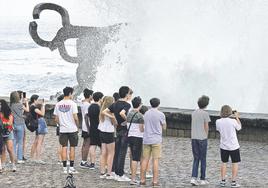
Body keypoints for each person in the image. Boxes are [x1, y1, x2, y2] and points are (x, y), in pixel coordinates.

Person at [103, 86, 132, 182]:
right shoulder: (127, 105)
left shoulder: (115, 103)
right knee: (122, 153)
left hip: (117, 129)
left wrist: (113, 118)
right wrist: (128, 121)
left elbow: (104, 111)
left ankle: (115, 171)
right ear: (127, 94)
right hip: (124, 130)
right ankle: (120, 174)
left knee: (117, 151)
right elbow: (122, 113)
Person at [140, 98, 167, 186]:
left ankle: (142, 179)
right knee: (155, 160)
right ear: (158, 104)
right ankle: (155, 181)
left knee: (145, 160)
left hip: (147, 139)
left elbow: (141, 127)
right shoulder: (161, 114)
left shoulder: (146, 113)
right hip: (156, 140)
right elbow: (164, 127)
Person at [54, 87, 79, 174]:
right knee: (72, 147)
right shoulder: (73, 104)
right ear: (69, 93)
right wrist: (77, 125)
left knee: (64, 147)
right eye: (72, 93)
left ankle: (64, 168)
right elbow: (75, 117)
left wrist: (61, 124)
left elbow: (56, 119)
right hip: (72, 128)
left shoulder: (58, 104)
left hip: (63, 129)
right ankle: (71, 167)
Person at [216, 105, 242, 188]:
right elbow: (239, 128)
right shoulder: (233, 121)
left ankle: (223, 181)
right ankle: (233, 182)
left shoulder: (218, 121)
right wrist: (237, 117)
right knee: (235, 163)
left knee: (224, 163)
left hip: (223, 146)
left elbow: (218, 130)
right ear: (230, 112)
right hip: (234, 146)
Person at [190, 95, 211, 186]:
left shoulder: (193, 113)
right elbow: (206, 126)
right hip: (202, 138)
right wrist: (206, 136)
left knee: (196, 158)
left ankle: (193, 178)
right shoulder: (205, 114)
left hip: (194, 138)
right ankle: (202, 178)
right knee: (203, 159)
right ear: (206, 105)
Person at [127, 97, 144, 185]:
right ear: (140, 104)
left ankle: (133, 176)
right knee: (136, 158)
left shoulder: (129, 113)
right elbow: (141, 129)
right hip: (138, 137)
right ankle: (133, 179)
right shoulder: (140, 115)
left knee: (133, 156)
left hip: (130, 136)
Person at [98, 96, 116, 179]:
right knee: (111, 153)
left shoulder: (102, 110)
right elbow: (114, 123)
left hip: (101, 131)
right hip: (109, 132)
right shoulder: (111, 112)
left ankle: (102, 171)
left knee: (103, 152)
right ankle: (109, 172)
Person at [10, 91, 29, 164]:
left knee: (14, 141)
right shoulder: (20, 105)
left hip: (14, 124)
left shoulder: (11, 105)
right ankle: (19, 158)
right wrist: (26, 102)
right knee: (20, 142)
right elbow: (27, 110)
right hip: (20, 124)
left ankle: (13, 158)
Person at [87, 92, 104, 169]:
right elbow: (101, 119)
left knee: (92, 145)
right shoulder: (99, 107)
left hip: (92, 127)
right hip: (99, 128)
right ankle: (103, 163)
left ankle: (92, 163)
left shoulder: (90, 107)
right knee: (102, 147)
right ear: (100, 98)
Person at [29, 95, 47, 164]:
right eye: (38, 100)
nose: (39, 101)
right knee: (40, 142)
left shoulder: (31, 106)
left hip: (37, 124)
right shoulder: (34, 107)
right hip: (40, 123)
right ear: (34, 100)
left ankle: (32, 157)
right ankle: (38, 158)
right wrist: (43, 105)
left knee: (36, 141)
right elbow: (42, 114)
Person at [0, 99, 16, 172]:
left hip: (8, 132)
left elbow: (10, 123)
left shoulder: (9, 113)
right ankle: (3, 165)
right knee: (2, 149)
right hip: (1, 132)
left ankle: (13, 164)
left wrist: (3, 123)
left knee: (10, 149)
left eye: (0, 105)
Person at [80, 89, 94, 169]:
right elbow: (86, 117)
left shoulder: (84, 103)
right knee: (87, 144)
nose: (92, 96)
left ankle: (83, 160)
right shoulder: (87, 105)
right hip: (87, 127)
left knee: (85, 144)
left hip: (84, 126)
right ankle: (84, 161)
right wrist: (89, 129)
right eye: (92, 95)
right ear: (89, 96)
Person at [56, 94, 64, 164]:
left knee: (60, 144)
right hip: (62, 126)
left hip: (58, 126)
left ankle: (59, 159)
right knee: (64, 144)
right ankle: (62, 159)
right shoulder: (63, 106)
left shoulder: (57, 106)